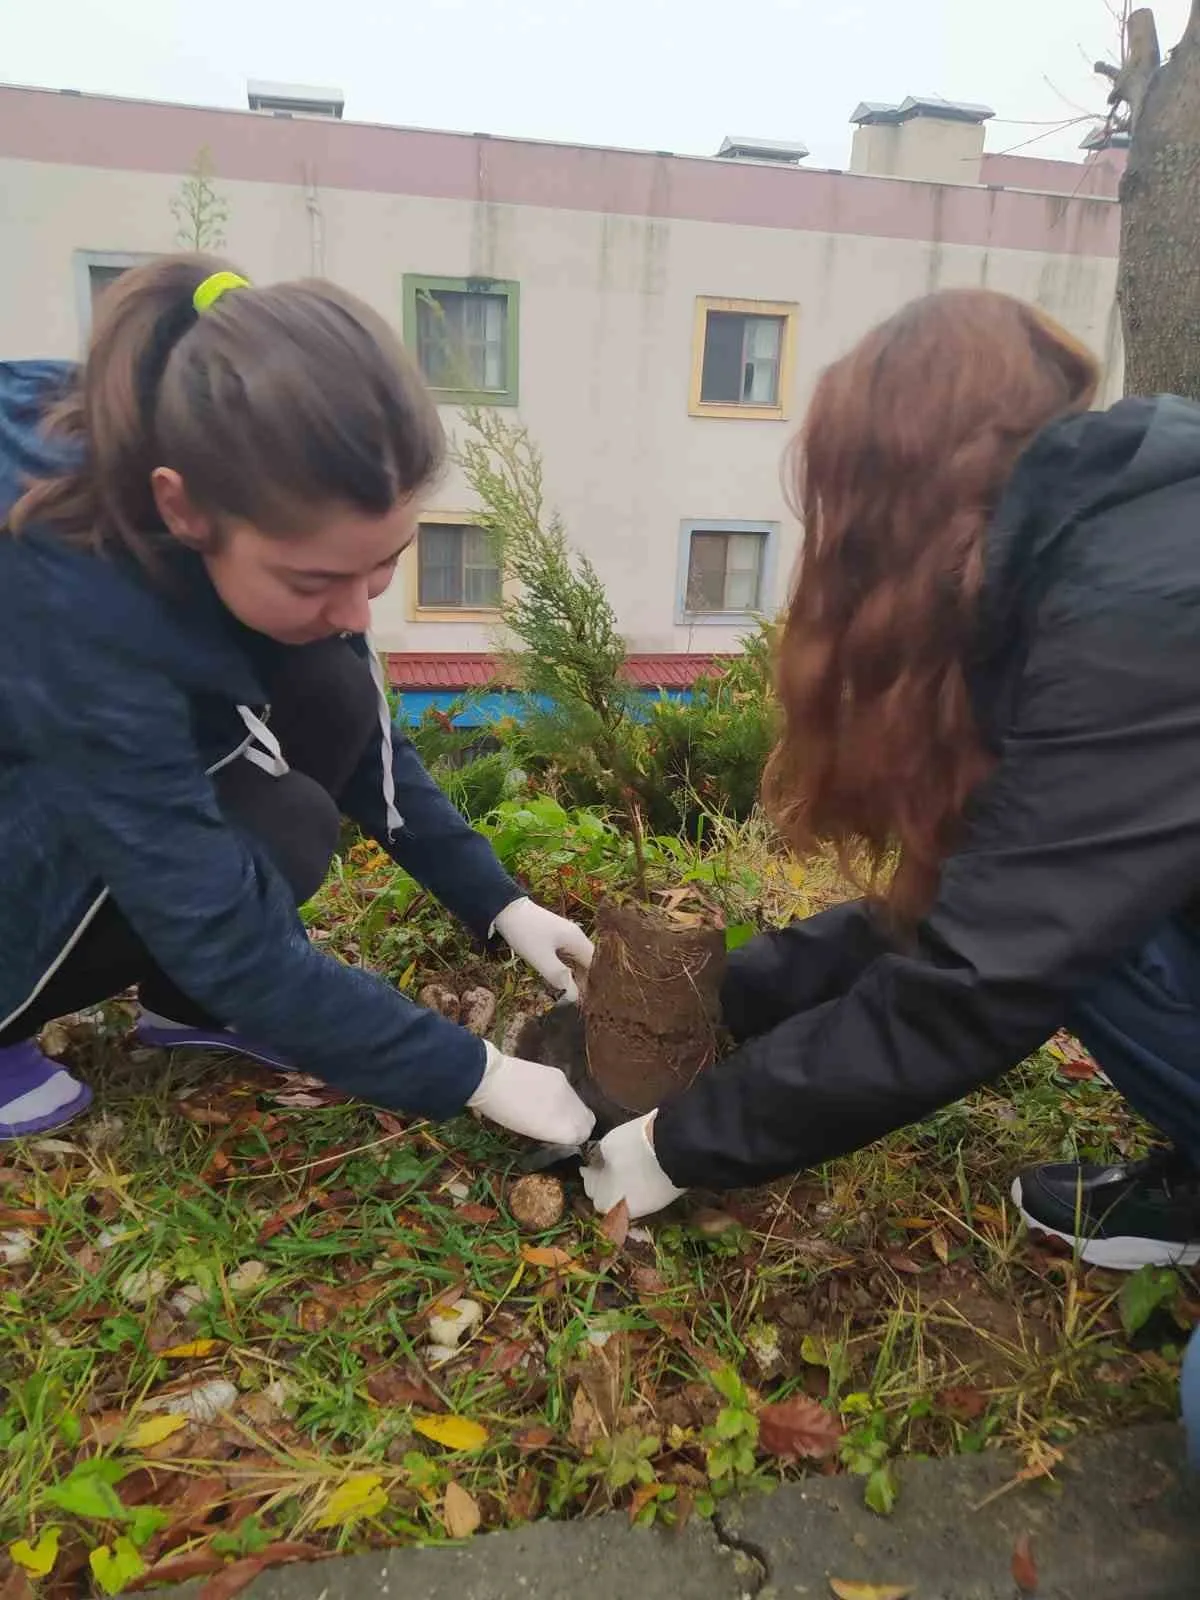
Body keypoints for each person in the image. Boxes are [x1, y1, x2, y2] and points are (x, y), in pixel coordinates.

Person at [583, 287, 1200, 1286]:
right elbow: (997, 896)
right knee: (1092, 924)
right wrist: (715, 997)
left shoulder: (1141, 611)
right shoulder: (1096, 548)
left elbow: (978, 981)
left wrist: (673, 1145)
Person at [0, 254, 595, 1150]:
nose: (359, 608)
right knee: (151, 845)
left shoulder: (239, 463)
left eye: (383, 562)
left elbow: (362, 733)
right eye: (317, 576)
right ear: (185, 511)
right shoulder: (73, 594)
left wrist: (501, 904)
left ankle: (182, 1007)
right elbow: (213, 921)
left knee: (312, 722)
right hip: (36, 750)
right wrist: (475, 1073)